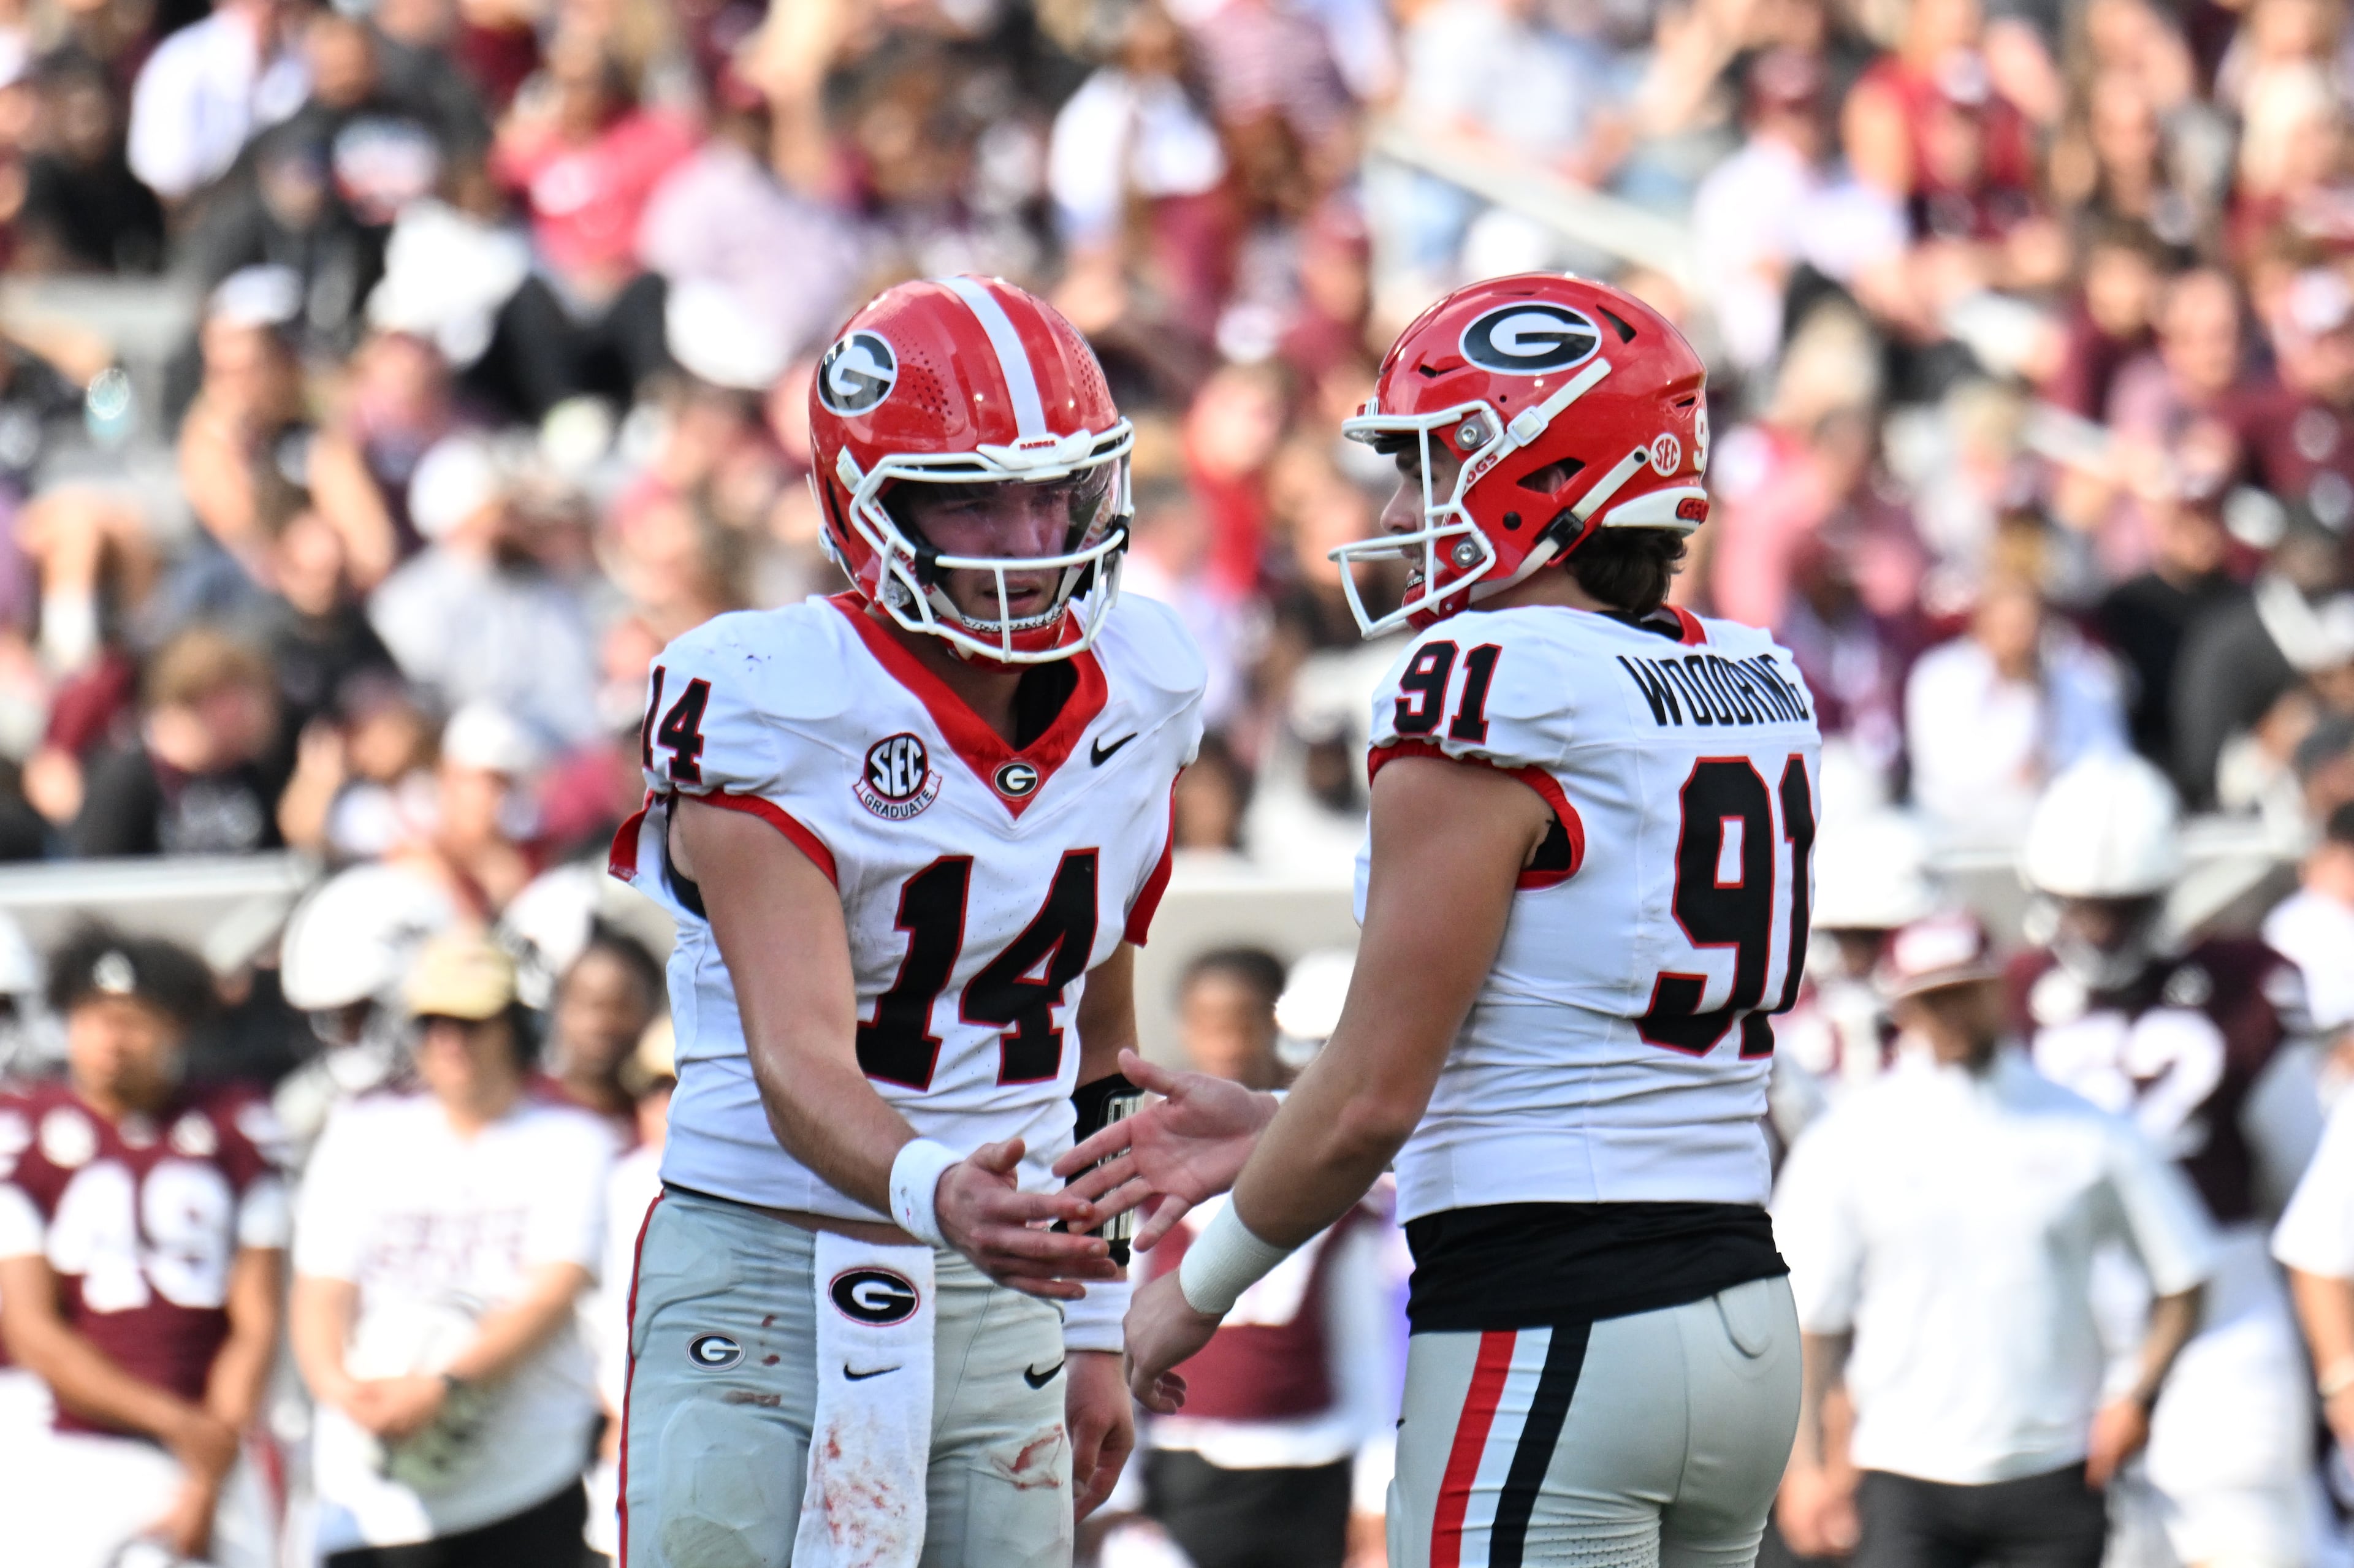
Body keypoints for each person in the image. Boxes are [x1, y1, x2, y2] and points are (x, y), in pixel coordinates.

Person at [1074, 273, 1818, 1567]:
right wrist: (1268, 1130)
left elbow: (1373, 1095)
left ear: (1548, 475)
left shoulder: (1494, 681)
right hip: (1741, 1320)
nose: (1404, 511)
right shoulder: (1751, 669)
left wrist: (1186, 1298)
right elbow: (1553, 1041)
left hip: (1550, 1325)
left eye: (1433, 465)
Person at [606, 274, 1203, 1566]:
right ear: (865, 503)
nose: (1030, 532)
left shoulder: (1148, 684)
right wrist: (947, 1191)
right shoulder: (771, 694)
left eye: (1056, 490)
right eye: (973, 496)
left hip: (1007, 1281)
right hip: (765, 1257)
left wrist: (1099, 1322)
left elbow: (1099, 1038)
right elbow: (799, 1059)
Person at [1772, 911, 2215, 1568]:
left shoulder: (2084, 1127)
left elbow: (2184, 1271)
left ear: (1998, 988)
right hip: (1901, 1465)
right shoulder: (1852, 1139)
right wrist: (1804, 1465)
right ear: (1903, 1006)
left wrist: (2136, 1396)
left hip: (2054, 1463)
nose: (1951, 1014)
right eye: (1932, 998)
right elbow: (1813, 1319)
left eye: (1964, 991)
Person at [2010, 752, 2326, 1567]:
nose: (2102, 928)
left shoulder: (2244, 985)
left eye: (2119, 907)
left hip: (2221, 1307)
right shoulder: (2010, 994)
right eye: (2086, 907)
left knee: (2248, 1531)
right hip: (2063, 1311)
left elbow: (2304, 1180)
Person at [290, 932, 613, 1565]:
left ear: (516, 1026)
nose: (449, 1038)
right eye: (431, 1020)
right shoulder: (359, 1134)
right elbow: (322, 1286)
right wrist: (342, 1388)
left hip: (522, 1481)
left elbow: (551, 1290)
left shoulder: (572, 1139)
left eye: (471, 1020)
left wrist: (445, 1386)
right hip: (374, 1488)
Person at [0, 929, 287, 1568]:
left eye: (133, 1021)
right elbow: (32, 1330)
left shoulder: (232, 1123)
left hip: (215, 1440)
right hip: (80, 1447)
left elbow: (257, 1318)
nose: (111, 1040)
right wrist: (179, 1426)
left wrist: (208, 1458)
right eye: (95, 1020)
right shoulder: (27, 1132)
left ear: (176, 1028)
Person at [1138, 948, 1394, 1568]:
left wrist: (1373, 1486)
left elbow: (1366, 1342)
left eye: (1245, 1020)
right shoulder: (1145, 1172)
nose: (1227, 1041)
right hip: (1188, 1462)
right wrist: (1118, 1486)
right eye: (1210, 1022)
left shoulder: (1336, 1171)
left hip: (1310, 1461)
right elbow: (1118, 1333)